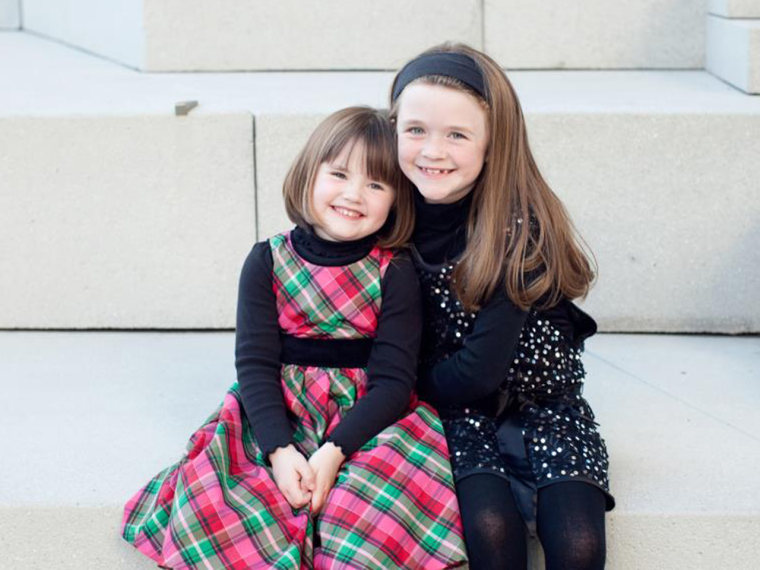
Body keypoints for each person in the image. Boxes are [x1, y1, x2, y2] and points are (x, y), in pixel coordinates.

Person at [121, 107, 467, 569]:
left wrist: (335, 451)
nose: (353, 194)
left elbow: (393, 380)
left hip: (368, 422)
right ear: (309, 176)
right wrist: (280, 451)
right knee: (227, 502)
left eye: (376, 184)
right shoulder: (267, 259)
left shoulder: (395, 270)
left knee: (370, 511)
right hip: (277, 415)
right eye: (339, 174)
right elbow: (255, 365)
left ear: (395, 201)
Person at [389, 44, 615, 570]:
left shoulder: (517, 228)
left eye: (457, 135)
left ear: (493, 144)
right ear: (393, 127)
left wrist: (399, 383)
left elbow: (478, 371)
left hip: (543, 401)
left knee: (578, 544)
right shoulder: (388, 213)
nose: (433, 151)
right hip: (458, 410)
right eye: (416, 129)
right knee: (488, 530)